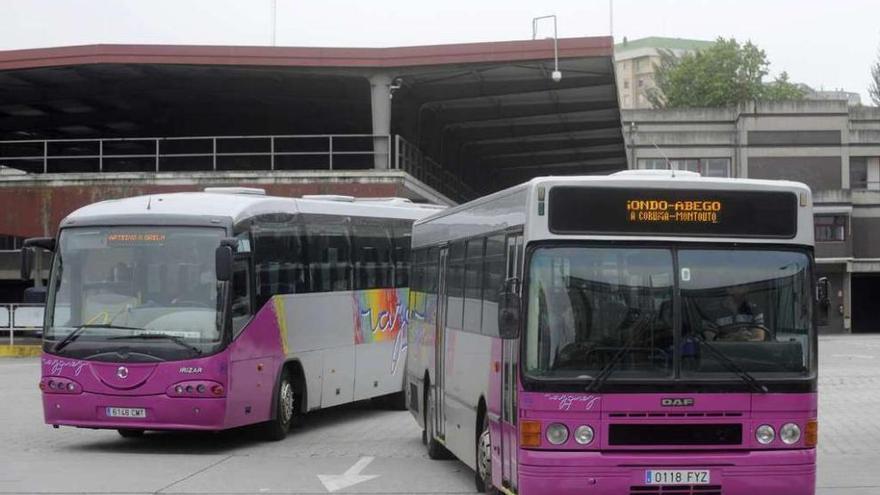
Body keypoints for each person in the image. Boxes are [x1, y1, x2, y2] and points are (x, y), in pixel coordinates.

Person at [702, 285, 768, 342]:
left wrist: (731, 338)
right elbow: (710, 341)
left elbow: (759, 338)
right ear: (729, 289)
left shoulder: (755, 310)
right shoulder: (711, 312)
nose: (745, 289)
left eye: (746, 286)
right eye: (740, 286)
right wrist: (736, 338)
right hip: (719, 355)